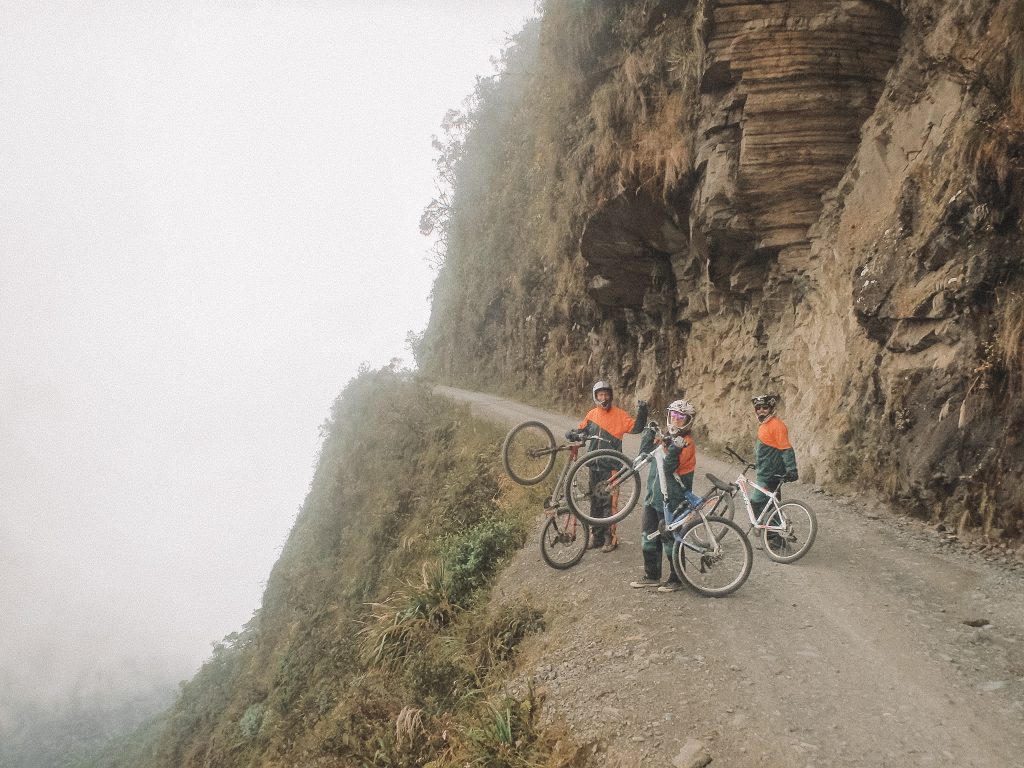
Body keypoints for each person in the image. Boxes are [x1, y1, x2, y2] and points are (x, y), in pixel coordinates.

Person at [565, 380, 648, 552]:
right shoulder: (592, 414)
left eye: (606, 394)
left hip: (611, 467)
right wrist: (572, 433)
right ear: (596, 397)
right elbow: (582, 432)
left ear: (610, 395)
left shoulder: (619, 415)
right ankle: (596, 537)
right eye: (600, 395)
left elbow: (637, 427)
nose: (604, 397)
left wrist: (642, 412)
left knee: (609, 504)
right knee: (595, 502)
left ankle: (610, 539)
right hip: (593, 466)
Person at [630, 399, 700, 593]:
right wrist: (649, 433)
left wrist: (674, 446)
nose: (676, 421)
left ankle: (677, 578)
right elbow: (645, 454)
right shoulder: (667, 437)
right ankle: (651, 576)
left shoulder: (687, 444)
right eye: (673, 416)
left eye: (681, 418)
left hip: (673, 499)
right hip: (654, 497)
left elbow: (669, 467)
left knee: (671, 539)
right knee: (648, 536)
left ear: (688, 421)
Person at [750, 394, 799, 544]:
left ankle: (773, 536)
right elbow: (766, 449)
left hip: (769, 474)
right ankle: (776, 539)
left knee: (756, 502)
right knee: (772, 504)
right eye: (758, 408)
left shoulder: (777, 425)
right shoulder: (765, 425)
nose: (761, 411)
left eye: (765, 408)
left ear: (771, 408)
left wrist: (792, 469)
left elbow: (786, 449)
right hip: (765, 470)